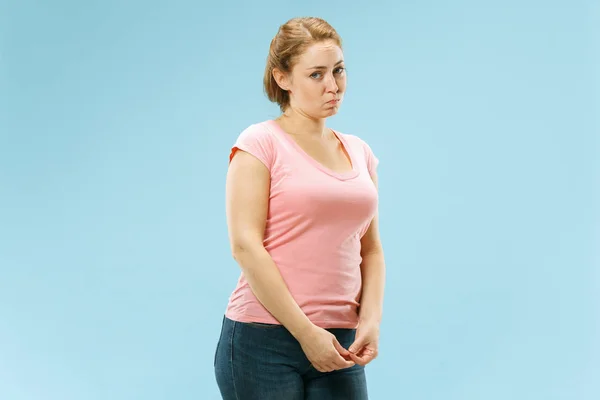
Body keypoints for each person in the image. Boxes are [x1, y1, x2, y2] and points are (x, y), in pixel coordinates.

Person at [214, 16, 386, 400]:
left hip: (341, 340)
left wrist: (370, 321)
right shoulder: (260, 143)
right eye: (316, 74)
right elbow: (245, 245)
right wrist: (307, 334)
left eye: (339, 70)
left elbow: (370, 249)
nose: (333, 85)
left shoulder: (360, 152)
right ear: (283, 78)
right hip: (263, 340)